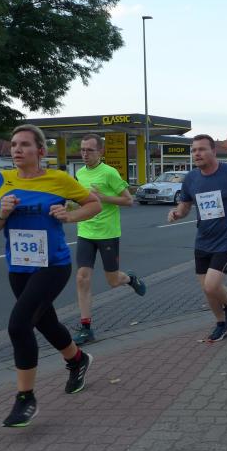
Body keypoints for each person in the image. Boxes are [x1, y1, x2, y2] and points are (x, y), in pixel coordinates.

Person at [0, 124, 102, 427]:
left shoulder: (58, 179)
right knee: (45, 323)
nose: (17, 150)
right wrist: (2, 214)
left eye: (24, 144)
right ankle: (77, 360)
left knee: (19, 325)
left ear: (40, 150)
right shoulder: (0, 180)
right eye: (13, 144)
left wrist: (69, 216)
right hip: (18, 267)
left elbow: (94, 204)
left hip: (53, 265)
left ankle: (26, 398)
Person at [168, 135, 227, 342]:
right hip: (203, 239)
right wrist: (177, 213)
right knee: (207, 289)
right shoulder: (191, 178)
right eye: (194, 150)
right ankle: (221, 324)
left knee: (212, 285)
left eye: (202, 149)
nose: (197, 154)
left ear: (213, 151)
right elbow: (185, 204)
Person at [72, 134, 146, 345]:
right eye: (82, 150)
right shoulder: (79, 174)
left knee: (113, 281)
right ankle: (86, 327)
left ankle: (130, 279)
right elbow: (80, 201)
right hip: (85, 232)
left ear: (101, 152)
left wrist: (103, 198)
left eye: (90, 150)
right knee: (82, 278)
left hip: (108, 234)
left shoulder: (109, 173)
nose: (85, 154)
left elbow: (129, 200)